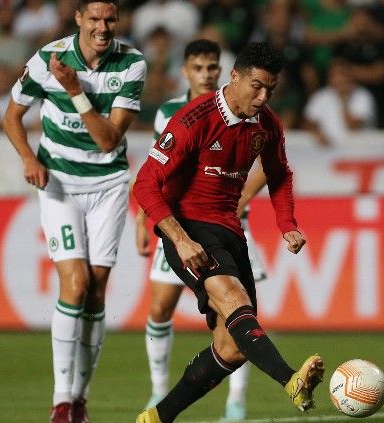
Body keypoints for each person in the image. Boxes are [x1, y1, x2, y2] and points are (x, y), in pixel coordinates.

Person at [133, 41, 324, 423]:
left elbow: (280, 173)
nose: (263, 96)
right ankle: (291, 381)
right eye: (256, 86)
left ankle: (156, 418)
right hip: (188, 228)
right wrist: (179, 239)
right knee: (234, 299)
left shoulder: (267, 124)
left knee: (233, 347)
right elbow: (145, 183)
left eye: (270, 89)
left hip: (230, 232)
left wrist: (287, 224)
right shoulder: (194, 119)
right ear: (234, 76)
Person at [1, 1, 146, 422]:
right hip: (59, 184)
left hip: (107, 185)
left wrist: (75, 91)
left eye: (110, 19)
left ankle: (81, 398)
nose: (103, 27)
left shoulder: (131, 64)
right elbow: (12, 116)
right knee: (76, 282)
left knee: (97, 290)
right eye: (95, 19)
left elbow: (107, 140)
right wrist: (29, 158)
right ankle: (61, 400)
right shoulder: (48, 58)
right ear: (79, 18)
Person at [135, 38, 268, 421]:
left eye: (212, 67)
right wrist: (143, 219)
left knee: (237, 313)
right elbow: (156, 171)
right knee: (160, 306)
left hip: (228, 223)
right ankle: (158, 391)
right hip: (182, 224)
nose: (206, 74)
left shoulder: (248, 109)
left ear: (223, 71)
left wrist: (242, 198)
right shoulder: (172, 112)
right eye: (199, 68)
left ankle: (236, 402)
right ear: (186, 71)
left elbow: (268, 162)